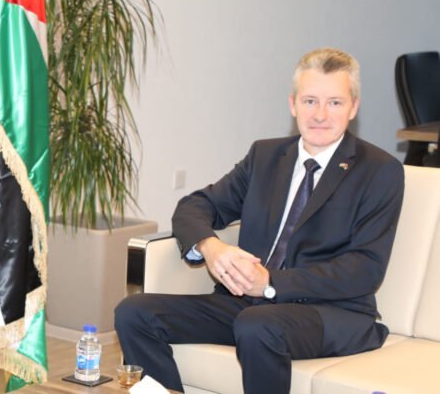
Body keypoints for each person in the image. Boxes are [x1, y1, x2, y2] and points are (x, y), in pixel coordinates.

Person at [115, 48, 405, 393]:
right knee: (134, 312)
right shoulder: (266, 156)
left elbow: (364, 269)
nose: (320, 115)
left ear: (353, 107)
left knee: (258, 325)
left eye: (335, 103)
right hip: (245, 304)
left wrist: (270, 283)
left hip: (332, 312)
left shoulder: (379, 170)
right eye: (310, 101)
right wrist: (212, 248)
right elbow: (195, 205)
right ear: (293, 104)